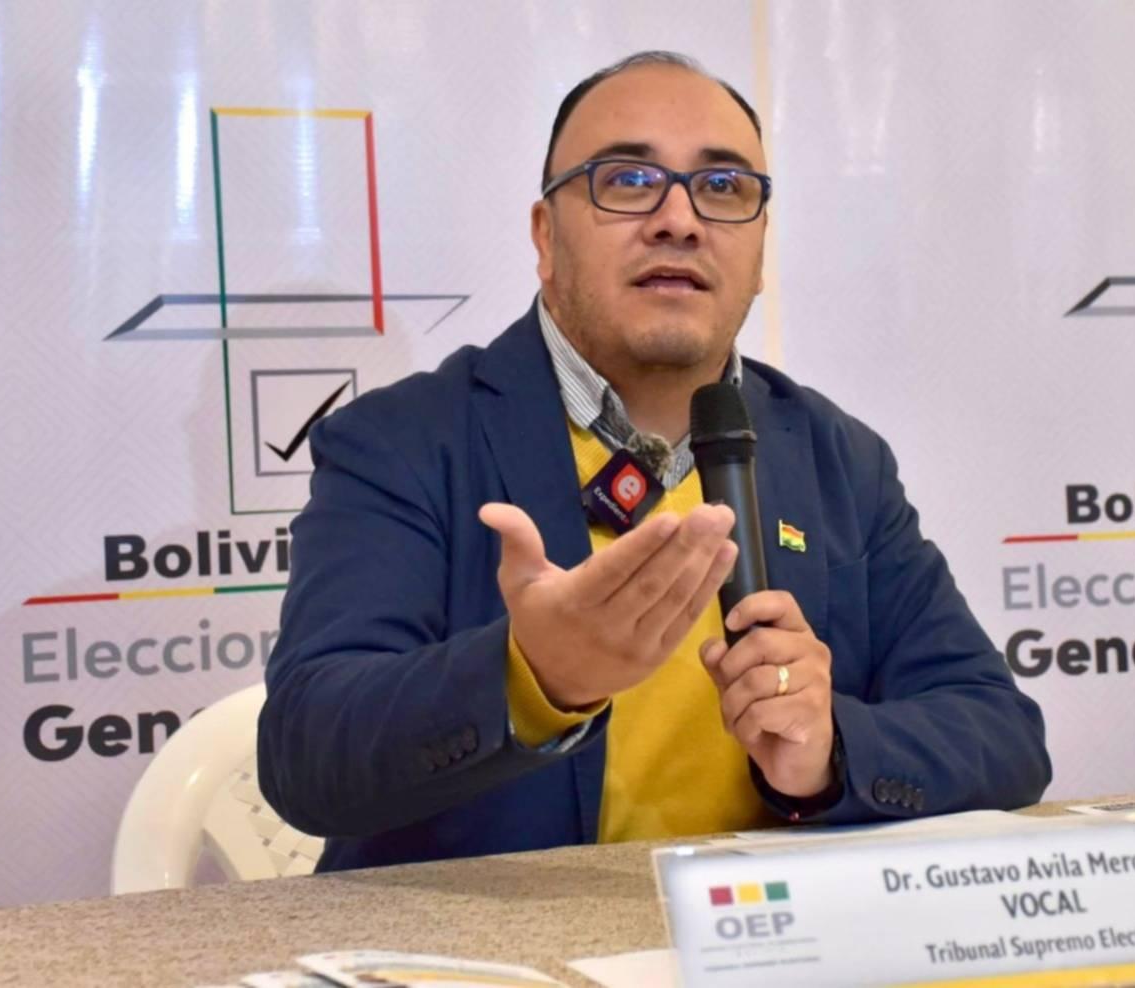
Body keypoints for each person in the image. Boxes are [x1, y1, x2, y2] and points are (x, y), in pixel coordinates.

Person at [258, 51, 1050, 872]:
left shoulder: (837, 457)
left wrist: (830, 753)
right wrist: (535, 677)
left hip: (768, 932)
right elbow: (306, 754)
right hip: (500, 939)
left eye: (723, 187)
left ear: (759, 249)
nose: (680, 220)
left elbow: (1001, 735)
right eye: (629, 180)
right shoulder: (403, 442)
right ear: (545, 236)